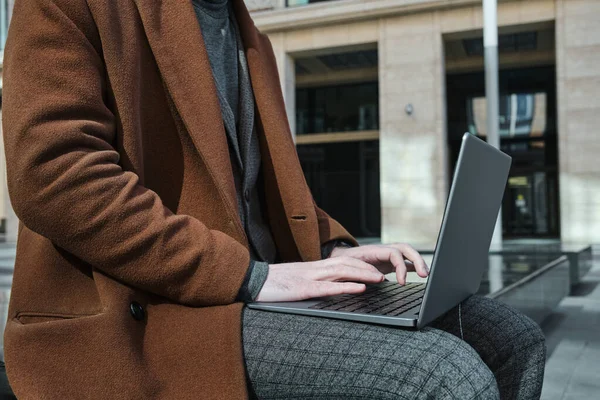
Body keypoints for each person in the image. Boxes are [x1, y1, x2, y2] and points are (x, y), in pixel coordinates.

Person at [1, 0, 545, 398]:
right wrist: (254, 277)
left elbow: (261, 196)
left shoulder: (244, 30)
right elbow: (55, 174)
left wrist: (329, 251)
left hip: (243, 293)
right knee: (441, 376)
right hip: (151, 312)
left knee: (512, 338)